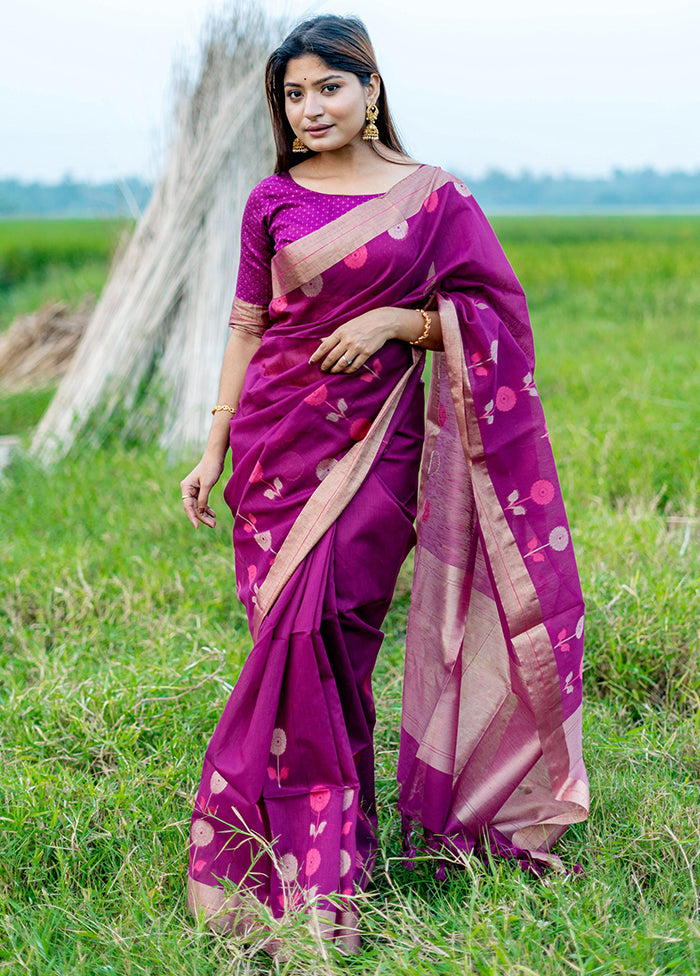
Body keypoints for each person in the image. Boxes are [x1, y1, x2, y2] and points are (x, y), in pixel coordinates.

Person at [180, 13, 588, 950]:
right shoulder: (270, 199)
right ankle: (325, 856)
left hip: (379, 448)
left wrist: (400, 323)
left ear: (371, 91)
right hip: (276, 448)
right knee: (291, 651)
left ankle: (311, 878)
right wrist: (214, 449)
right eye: (293, 94)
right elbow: (248, 326)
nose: (311, 107)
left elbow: (498, 317)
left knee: (332, 636)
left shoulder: (434, 198)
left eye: (329, 86)